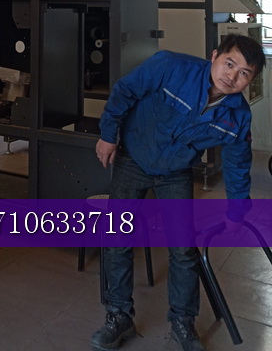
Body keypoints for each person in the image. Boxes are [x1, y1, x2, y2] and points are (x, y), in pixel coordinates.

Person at [91, 34, 266, 351]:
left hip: (175, 173)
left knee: (183, 250)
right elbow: (125, 90)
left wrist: (237, 210)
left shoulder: (237, 116)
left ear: (250, 80)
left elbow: (238, 163)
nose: (232, 76)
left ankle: (183, 321)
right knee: (117, 240)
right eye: (229, 64)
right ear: (214, 55)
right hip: (133, 158)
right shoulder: (170, 67)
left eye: (244, 73)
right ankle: (118, 316)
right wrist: (107, 135)